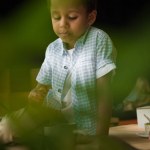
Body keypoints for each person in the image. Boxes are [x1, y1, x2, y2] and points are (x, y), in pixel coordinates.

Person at [0, 0, 116, 146]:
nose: (62, 24)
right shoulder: (52, 49)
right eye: (56, 17)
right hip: (49, 119)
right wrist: (36, 93)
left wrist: (100, 138)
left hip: (81, 127)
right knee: (8, 124)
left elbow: (104, 94)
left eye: (72, 17)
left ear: (90, 18)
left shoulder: (99, 40)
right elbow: (41, 86)